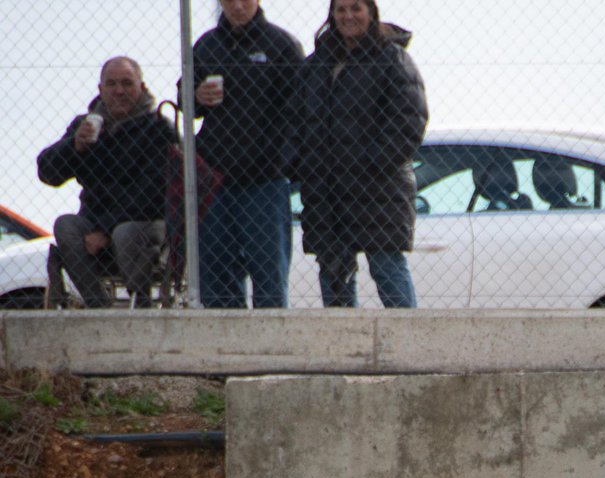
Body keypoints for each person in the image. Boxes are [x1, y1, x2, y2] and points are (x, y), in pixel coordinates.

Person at [293, 0, 428, 307]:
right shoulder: (315, 65)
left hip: (379, 191)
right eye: (341, 9)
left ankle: (409, 346)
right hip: (326, 193)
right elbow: (293, 121)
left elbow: (410, 121)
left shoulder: (392, 59)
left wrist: (371, 164)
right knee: (334, 273)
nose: (348, 16)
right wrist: (301, 165)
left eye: (356, 8)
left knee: (386, 268)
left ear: (371, 13)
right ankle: (343, 351)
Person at [180, 0, 303, 309]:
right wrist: (194, 96)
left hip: (266, 182)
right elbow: (184, 96)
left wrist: (282, 161)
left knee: (270, 277)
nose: (237, 5)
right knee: (216, 276)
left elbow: (301, 108)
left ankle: (272, 352)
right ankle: (224, 352)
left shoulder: (281, 44)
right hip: (216, 183)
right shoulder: (207, 45)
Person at [37, 57, 177, 309]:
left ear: (142, 87)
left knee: (125, 233)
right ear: (100, 89)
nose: (119, 91)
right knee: (65, 225)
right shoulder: (86, 125)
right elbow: (48, 172)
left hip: (144, 224)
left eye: (126, 83)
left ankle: (142, 305)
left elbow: (153, 193)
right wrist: (74, 146)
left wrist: (105, 230)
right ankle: (101, 308)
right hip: (95, 224)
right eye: (111, 84)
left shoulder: (158, 128)